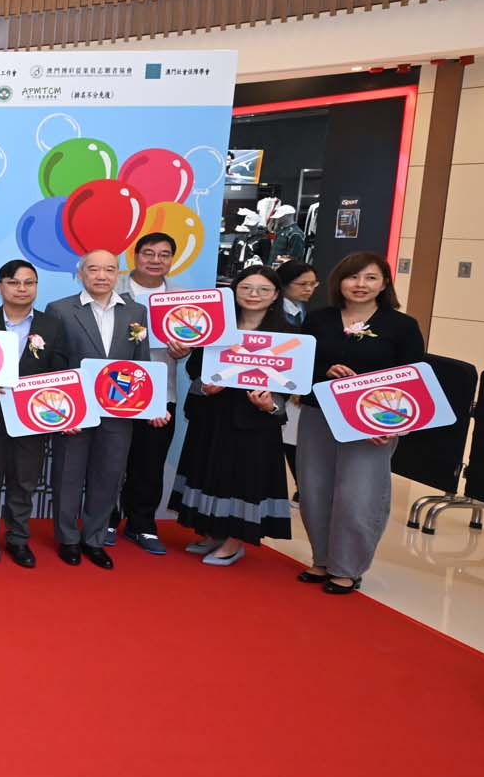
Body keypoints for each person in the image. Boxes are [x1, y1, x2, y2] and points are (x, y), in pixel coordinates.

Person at [295, 252, 426, 595]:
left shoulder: (402, 326)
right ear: (339, 282)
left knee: (359, 495)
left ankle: (347, 567)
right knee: (314, 490)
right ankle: (322, 559)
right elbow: (299, 366)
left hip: (373, 421)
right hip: (319, 413)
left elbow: (412, 379)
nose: (360, 285)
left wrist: (392, 425)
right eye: (353, 277)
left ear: (384, 284)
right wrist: (324, 371)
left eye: (370, 278)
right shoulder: (318, 320)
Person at [45, 249, 166, 568]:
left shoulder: (136, 312)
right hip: (75, 411)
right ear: (80, 274)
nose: (101, 276)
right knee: (67, 476)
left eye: (109, 269)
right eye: (94, 269)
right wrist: (61, 410)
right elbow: (54, 364)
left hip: (119, 411)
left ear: (118, 274)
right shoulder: (60, 309)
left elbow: (141, 363)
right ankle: (68, 538)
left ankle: (94, 539)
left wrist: (152, 404)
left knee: (109, 476)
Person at [171, 267, 292, 565]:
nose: (254, 295)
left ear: (275, 295)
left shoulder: (288, 334)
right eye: (246, 288)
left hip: (254, 422)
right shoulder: (216, 325)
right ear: (234, 291)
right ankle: (214, 533)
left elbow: (292, 382)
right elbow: (195, 368)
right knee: (211, 473)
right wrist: (204, 386)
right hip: (213, 415)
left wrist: (270, 404)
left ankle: (234, 541)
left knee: (243, 479)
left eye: (263, 289)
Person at [0, 258, 68, 569]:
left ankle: (18, 538)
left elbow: (60, 372)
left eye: (29, 282)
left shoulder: (52, 326)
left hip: (32, 419)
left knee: (24, 482)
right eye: (13, 282)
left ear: (36, 287)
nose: (21, 288)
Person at [113, 231, 186, 555]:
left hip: (160, 392)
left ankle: (141, 523)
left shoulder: (183, 298)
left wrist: (185, 349)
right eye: (149, 253)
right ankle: (106, 519)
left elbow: (198, 340)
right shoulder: (111, 287)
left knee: (149, 462)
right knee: (110, 461)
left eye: (164, 255)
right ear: (135, 255)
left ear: (172, 259)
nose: (156, 260)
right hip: (114, 390)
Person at [274, 259, 319, 490]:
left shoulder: (302, 309)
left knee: (294, 438)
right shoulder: (275, 312)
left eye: (313, 284)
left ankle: (303, 488)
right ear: (284, 284)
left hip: (298, 384)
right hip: (279, 383)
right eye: (302, 284)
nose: (308, 289)